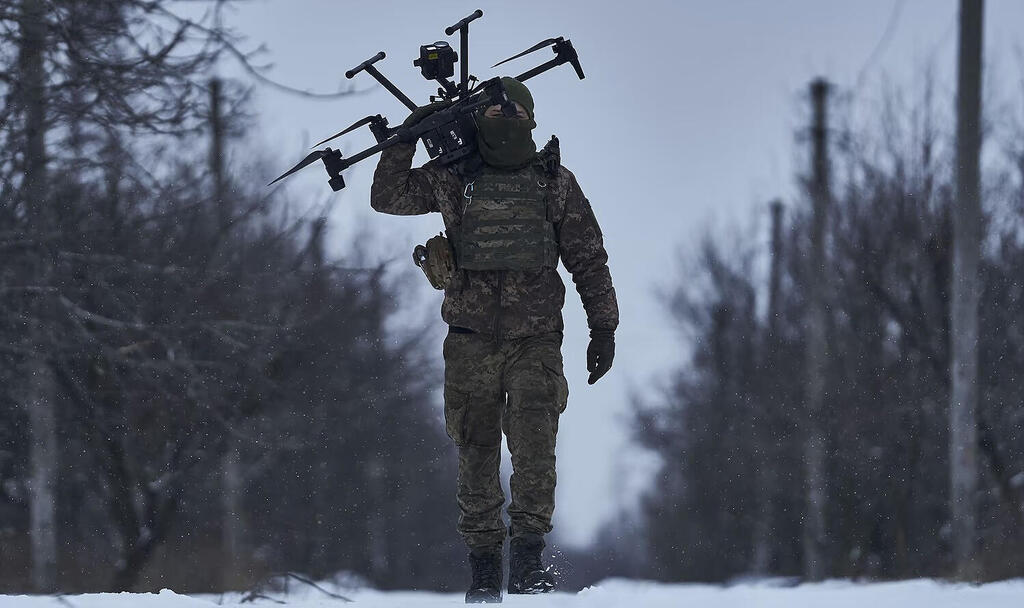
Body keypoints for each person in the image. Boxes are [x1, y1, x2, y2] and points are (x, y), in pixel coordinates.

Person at [370, 77, 618, 603]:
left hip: (534, 340)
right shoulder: (453, 176)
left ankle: (525, 565)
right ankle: (486, 571)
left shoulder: (553, 182)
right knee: (477, 451)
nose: (505, 122)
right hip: (471, 339)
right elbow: (386, 197)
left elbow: (588, 257)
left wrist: (605, 327)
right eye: (496, 112)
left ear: (530, 120)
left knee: (532, 450)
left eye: (513, 113)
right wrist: (404, 139)